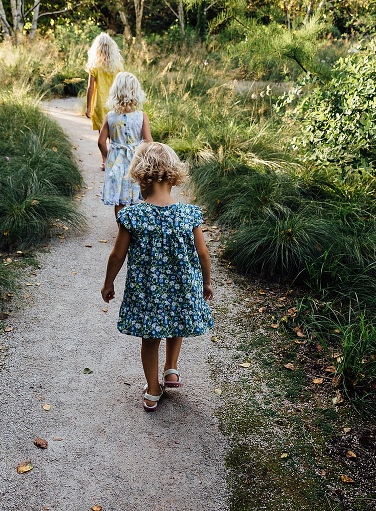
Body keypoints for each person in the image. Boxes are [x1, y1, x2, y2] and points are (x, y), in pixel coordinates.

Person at [101, 142, 214, 412]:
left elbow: (117, 255)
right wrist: (206, 282)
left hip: (148, 292)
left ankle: (153, 390)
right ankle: (171, 369)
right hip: (181, 288)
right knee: (177, 324)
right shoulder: (189, 214)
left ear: (140, 177)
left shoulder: (132, 215)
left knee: (150, 340)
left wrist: (108, 283)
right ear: (174, 176)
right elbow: (203, 254)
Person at [99, 72, 152, 217]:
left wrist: (108, 157)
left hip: (116, 160)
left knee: (120, 199)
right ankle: (135, 229)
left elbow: (101, 141)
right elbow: (148, 142)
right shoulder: (141, 116)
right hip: (136, 160)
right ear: (136, 93)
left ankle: (122, 229)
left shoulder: (110, 116)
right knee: (136, 194)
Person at [85, 32, 123, 133]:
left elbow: (90, 88)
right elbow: (121, 86)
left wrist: (88, 107)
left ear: (96, 48)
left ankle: (104, 150)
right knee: (114, 137)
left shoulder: (95, 66)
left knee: (102, 136)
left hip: (100, 104)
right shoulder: (117, 67)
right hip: (114, 103)